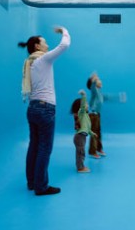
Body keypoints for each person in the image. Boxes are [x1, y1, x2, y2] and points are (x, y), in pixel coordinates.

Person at [18, 26, 71, 196]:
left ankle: (32, 182)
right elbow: (64, 45)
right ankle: (41, 187)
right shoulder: (43, 60)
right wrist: (64, 30)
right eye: (44, 42)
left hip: (32, 108)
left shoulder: (30, 63)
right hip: (45, 109)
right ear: (37, 47)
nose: (47, 45)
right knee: (44, 148)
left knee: (34, 146)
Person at [70, 90, 96, 173]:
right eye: (86, 103)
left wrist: (92, 134)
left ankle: (81, 166)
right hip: (80, 137)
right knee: (80, 153)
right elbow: (83, 106)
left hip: (82, 136)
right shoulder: (81, 113)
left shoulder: (85, 116)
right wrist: (84, 95)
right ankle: (80, 168)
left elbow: (87, 128)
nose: (87, 105)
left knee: (81, 152)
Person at [86, 72, 107, 158]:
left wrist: (119, 98)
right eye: (98, 81)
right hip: (93, 114)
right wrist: (93, 79)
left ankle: (99, 148)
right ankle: (92, 151)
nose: (100, 81)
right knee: (94, 132)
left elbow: (107, 97)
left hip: (97, 115)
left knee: (98, 132)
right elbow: (92, 86)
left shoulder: (99, 93)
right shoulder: (94, 91)